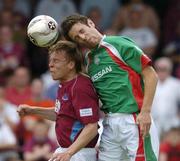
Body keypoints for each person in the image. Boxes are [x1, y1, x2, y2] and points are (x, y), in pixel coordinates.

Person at [61, 14, 159, 161]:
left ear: (91, 23)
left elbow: (151, 75)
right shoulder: (89, 61)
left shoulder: (119, 44)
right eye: (77, 38)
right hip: (109, 124)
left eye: (82, 31)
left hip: (134, 120)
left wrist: (145, 112)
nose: (83, 38)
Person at [17, 41, 99, 161]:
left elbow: (91, 127)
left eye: (56, 61)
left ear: (71, 64)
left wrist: (69, 153)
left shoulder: (80, 87)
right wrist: (32, 110)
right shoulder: (65, 84)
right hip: (67, 151)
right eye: (50, 60)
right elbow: (62, 114)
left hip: (79, 153)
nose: (50, 65)